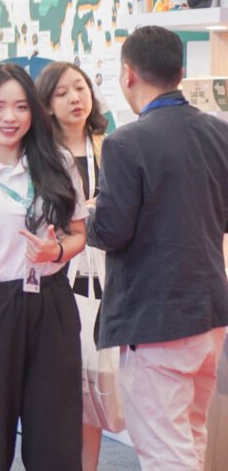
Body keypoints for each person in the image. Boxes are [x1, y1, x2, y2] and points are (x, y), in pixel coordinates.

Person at [87, 25, 228, 470]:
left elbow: (111, 232)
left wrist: (87, 216)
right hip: (209, 314)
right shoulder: (220, 132)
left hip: (155, 318)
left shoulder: (125, 142)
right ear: (180, 72)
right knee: (190, 435)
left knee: (166, 452)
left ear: (128, 73)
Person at [0, 62, 88, 470]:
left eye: (21, 107)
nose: (10, 117)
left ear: (34, 112)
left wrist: (55, 253)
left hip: (52, 304)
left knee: (56, 439)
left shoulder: (58, 162)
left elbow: (78, 234)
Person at [36, 60, 108, 471]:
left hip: (106, 273)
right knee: (62, 383)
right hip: (57, 272)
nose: (74, 99)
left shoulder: (109, 146)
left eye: (80, 88)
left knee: (94, 384)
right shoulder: (41, 155)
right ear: (46, 104)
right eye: (61, 93)